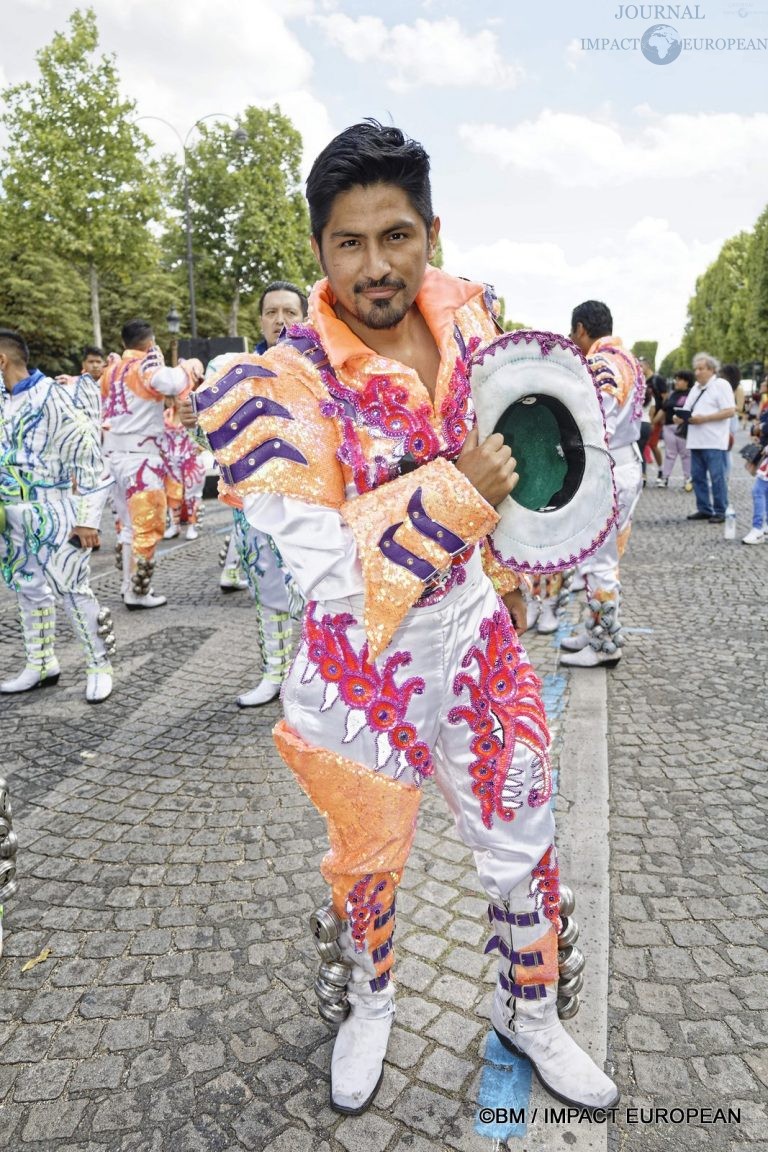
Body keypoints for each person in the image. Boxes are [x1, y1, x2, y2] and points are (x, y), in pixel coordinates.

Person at [193, 121, 618, 1116]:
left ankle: (530, 1009)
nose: (376, 265)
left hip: (471, 631)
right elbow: (326, 569)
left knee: (523, 827)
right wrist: (457, 493)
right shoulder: (280, 384)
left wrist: (527, 544)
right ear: (319, 250)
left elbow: (526, 456)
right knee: (369, 850)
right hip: (360, 664)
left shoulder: (472, 323)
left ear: (432, 229)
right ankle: (370, 1003)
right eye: (350, 242)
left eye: (398, 236)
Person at [0, 329, 114, 702]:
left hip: (55, 510)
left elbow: (91, 462)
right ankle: (41, 661)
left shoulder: (52, 396)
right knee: (28, 589)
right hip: (11, 517)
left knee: (73, 590)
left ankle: (99, 665)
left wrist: (87, 520)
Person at [559, 301, 644, 669]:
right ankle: (597, 628)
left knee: (599, 560)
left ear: (580, 328)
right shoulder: (630, 360)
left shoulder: (599, 364)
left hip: (606, 467)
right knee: (602, 557)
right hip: (626, 462)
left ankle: (605, 643)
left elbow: (595, 425)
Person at [100, 319, 203, 608]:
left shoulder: (111, 370)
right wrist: (191, 365)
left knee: (126, 526)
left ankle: (127, 586)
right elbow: (172, 382)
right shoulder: (144, 367)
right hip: (141, 459)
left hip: (113, 458)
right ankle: (138, 591)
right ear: (149, 343)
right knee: (147, 525)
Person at [677, 353, 735, 524]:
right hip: (696, 440)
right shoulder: (695, 388)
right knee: (698, 476)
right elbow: (687, 409)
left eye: (701, 369)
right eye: (696, 368)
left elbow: (730, 411)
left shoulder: (721, 385)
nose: (697, 372)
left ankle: (720, 510)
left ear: (711, 369)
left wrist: (704, 418)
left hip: (714, 441)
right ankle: (704, 508)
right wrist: (679, 417)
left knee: (717, 477)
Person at [657, 370, 694, 489]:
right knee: (669, 454)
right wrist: (653, 422)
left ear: (687, 381)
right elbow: (664, 409)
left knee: (686, 454)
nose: (676, 382)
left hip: (684, 428)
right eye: (676, 379)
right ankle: (665, 478)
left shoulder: (692, 394)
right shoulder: (672, 394)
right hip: (668, 427)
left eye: (679, 379)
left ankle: (688, 479)